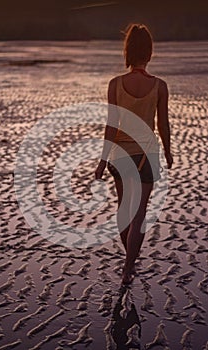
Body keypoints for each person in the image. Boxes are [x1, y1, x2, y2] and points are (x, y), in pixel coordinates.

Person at [95, 23, 173, 285]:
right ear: (149, 53)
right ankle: (129, 268)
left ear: (127, 51)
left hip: (119, 155)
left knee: (123, 211)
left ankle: (127, 262)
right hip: (146, 157)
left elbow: (110, 124)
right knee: (139, 212)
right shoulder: (159, 86)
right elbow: (163, 124)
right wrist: (169, 152)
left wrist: (102, 161)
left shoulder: (115, 84)